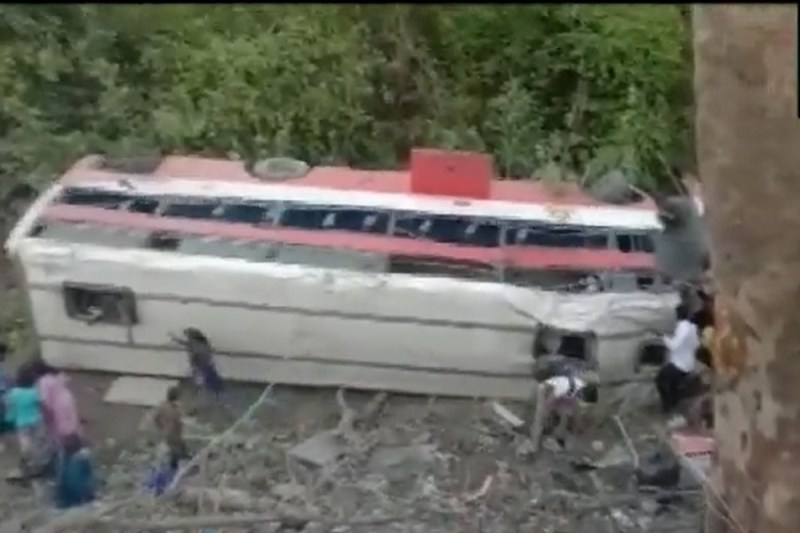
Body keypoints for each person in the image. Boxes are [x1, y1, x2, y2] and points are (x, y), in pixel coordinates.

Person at [529, 372, 599, 452]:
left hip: (563, 395)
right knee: (540, 417)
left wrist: (579, 426)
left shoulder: (582, 388)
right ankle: (534, 445)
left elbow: (575, 411)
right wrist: (547, 414)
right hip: (547, 390)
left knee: (565, 416)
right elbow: (549, 402)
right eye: (583, 403)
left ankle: (559, 440)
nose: (584, 407)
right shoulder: (566, 388)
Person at [5, 370, 54, 477]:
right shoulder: (34, 392)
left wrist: (10, 418)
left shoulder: (13, 393)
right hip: (36, 421)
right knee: (38, 441)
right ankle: (41, 463)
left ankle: (27, 464)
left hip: (22, 423)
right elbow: (41, 405)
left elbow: (11, 408)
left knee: (26, 445)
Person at [656, 304, 700, 414]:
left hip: (680, 364)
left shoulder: (682, 327)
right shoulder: (693, 327)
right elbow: (697, 345)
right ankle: (675, 403)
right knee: (672, 382)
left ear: (678, 315)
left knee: (660, 380)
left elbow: (673, 345)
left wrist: (663, 337)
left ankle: (668, 406)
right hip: (689, 364)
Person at [33, 360, 83, 447]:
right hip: (68, 400)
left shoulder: (43, 381)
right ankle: (77, 442)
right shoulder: (56, 374)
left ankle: (66, 447)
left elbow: (43, 401)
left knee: (60, 430)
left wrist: (46, 416)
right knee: (72, 423)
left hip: (58, 406)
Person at [169, 328, 224, 402]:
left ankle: (205, 393)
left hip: (201, 365)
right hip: (204, 365)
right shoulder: (202, 343)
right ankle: (214, 393)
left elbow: (194, 352)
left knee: (201, 380)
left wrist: (195, 363)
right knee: (205, 379)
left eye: (188, 336)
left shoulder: (195, 344)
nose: (187, 338)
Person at [53, 433, 95, 509]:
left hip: (66, 498)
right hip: (82, 496)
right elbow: (90, 475)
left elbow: (59, 480)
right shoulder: (82, 457)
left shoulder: (61, 460)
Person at [153, 386, 188, 466]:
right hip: (174, 437)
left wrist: (161, 426)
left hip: (164, 435)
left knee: (164, 457)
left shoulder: (162, 406)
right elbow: (179, 423)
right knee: (178, 456)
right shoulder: (177, 409)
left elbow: (155, 418)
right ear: (177, 397)